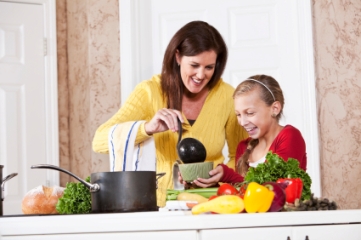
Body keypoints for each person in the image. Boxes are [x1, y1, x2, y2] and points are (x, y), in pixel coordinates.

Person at [92, 21, 248, 207]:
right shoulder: (150, 92)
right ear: (178, 57)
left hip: (212, 203)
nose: (200, 75)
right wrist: (147, 128)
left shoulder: (227, 96)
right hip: (158, 205)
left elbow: (241, 156)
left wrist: (223, 173)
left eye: (209, 67)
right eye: (194, 65)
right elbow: (100, 141)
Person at [188, 74, 307, 186]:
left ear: (275, 108)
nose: (242, 122)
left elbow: (274, 190)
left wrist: (228, 175)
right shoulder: (244, 147)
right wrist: (206, 181)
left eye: (250, 113)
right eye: (238, 115)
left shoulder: (290, 136)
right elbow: (243, 194)